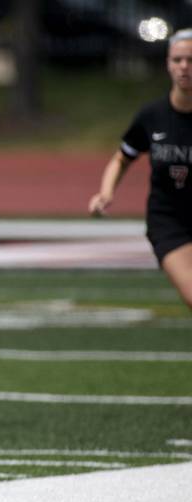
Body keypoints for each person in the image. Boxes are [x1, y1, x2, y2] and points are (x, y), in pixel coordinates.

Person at [89, 29, 192, 310]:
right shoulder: (153, 116)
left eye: (191, 60)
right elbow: (122, 158)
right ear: (168, 64)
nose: (184, 67)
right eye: (178, 60)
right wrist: (106, 193)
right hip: (169, 221)